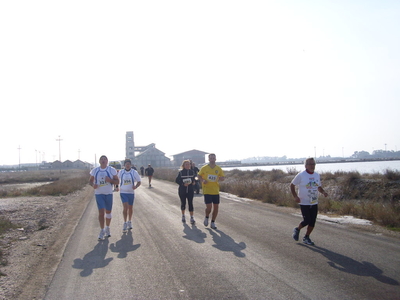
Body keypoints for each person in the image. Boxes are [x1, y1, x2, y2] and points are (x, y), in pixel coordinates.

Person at [290, 157, 328, 245]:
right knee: (307, 220)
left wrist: (323, 192)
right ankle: (297, 229)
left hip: (314, 201)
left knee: (313, 221)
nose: (312, 166)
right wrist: (295, 196)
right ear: (305, 165)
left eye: (313, 164)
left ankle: (306, 237)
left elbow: (318, 186)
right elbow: (292, 185)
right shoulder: (301, 175)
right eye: (310, 164)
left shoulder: (316, 175)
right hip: (304, 201)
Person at [89, 155, 119, 240]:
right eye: (101, 159)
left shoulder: (111, 170)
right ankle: (102, 230)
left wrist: (111, 181)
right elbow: (90, 181)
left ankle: (107, 228)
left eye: (105, 159)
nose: (103, 161)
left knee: (108, 212)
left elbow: (117, 181)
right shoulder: (95, 171)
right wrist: (93, 185)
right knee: (101, 212)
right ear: (99, 161)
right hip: (99, 194)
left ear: (107, 161)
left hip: (109, 193)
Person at [197, 153, 225, 229]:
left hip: (215, 190)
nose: (212, 159)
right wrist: (202, 180)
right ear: (209, 159)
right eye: (211, 158)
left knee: (216, 207)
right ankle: (206, 217)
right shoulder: (204, 168)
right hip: (207, 190)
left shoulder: (218, 168)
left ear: (215, 159)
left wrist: (222, 178)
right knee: (209, 207)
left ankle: (213, 222)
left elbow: (222, 177)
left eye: (213, 158)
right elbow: (198, 175)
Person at [118, 159, 141, 231]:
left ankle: (129, 221)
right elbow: (116, 180)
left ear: (130, 165)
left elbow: (139, 181)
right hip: (123, 192)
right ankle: (124, 222)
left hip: (131, 193)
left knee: (130, 208)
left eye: (129, 164)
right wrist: (116, 187)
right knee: (125, 207)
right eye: (126, 164)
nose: (127, 165)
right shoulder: (121, 172)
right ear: (124, 165)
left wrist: (136, 186)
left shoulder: (134, 172)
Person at [175, 160, 196, 224]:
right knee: (183, 203)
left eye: (188, 164)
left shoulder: (192, 172)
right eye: (186, 164)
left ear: (190, 165)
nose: (187, 165)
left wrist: (194, 182)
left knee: (190, 203)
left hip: (190, 190)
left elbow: (194, 179)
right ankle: (183, 216)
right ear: (183, 165)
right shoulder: (181, 173)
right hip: (182, 190)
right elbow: (177, 180)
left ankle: (192, 217)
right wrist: (183, 184)